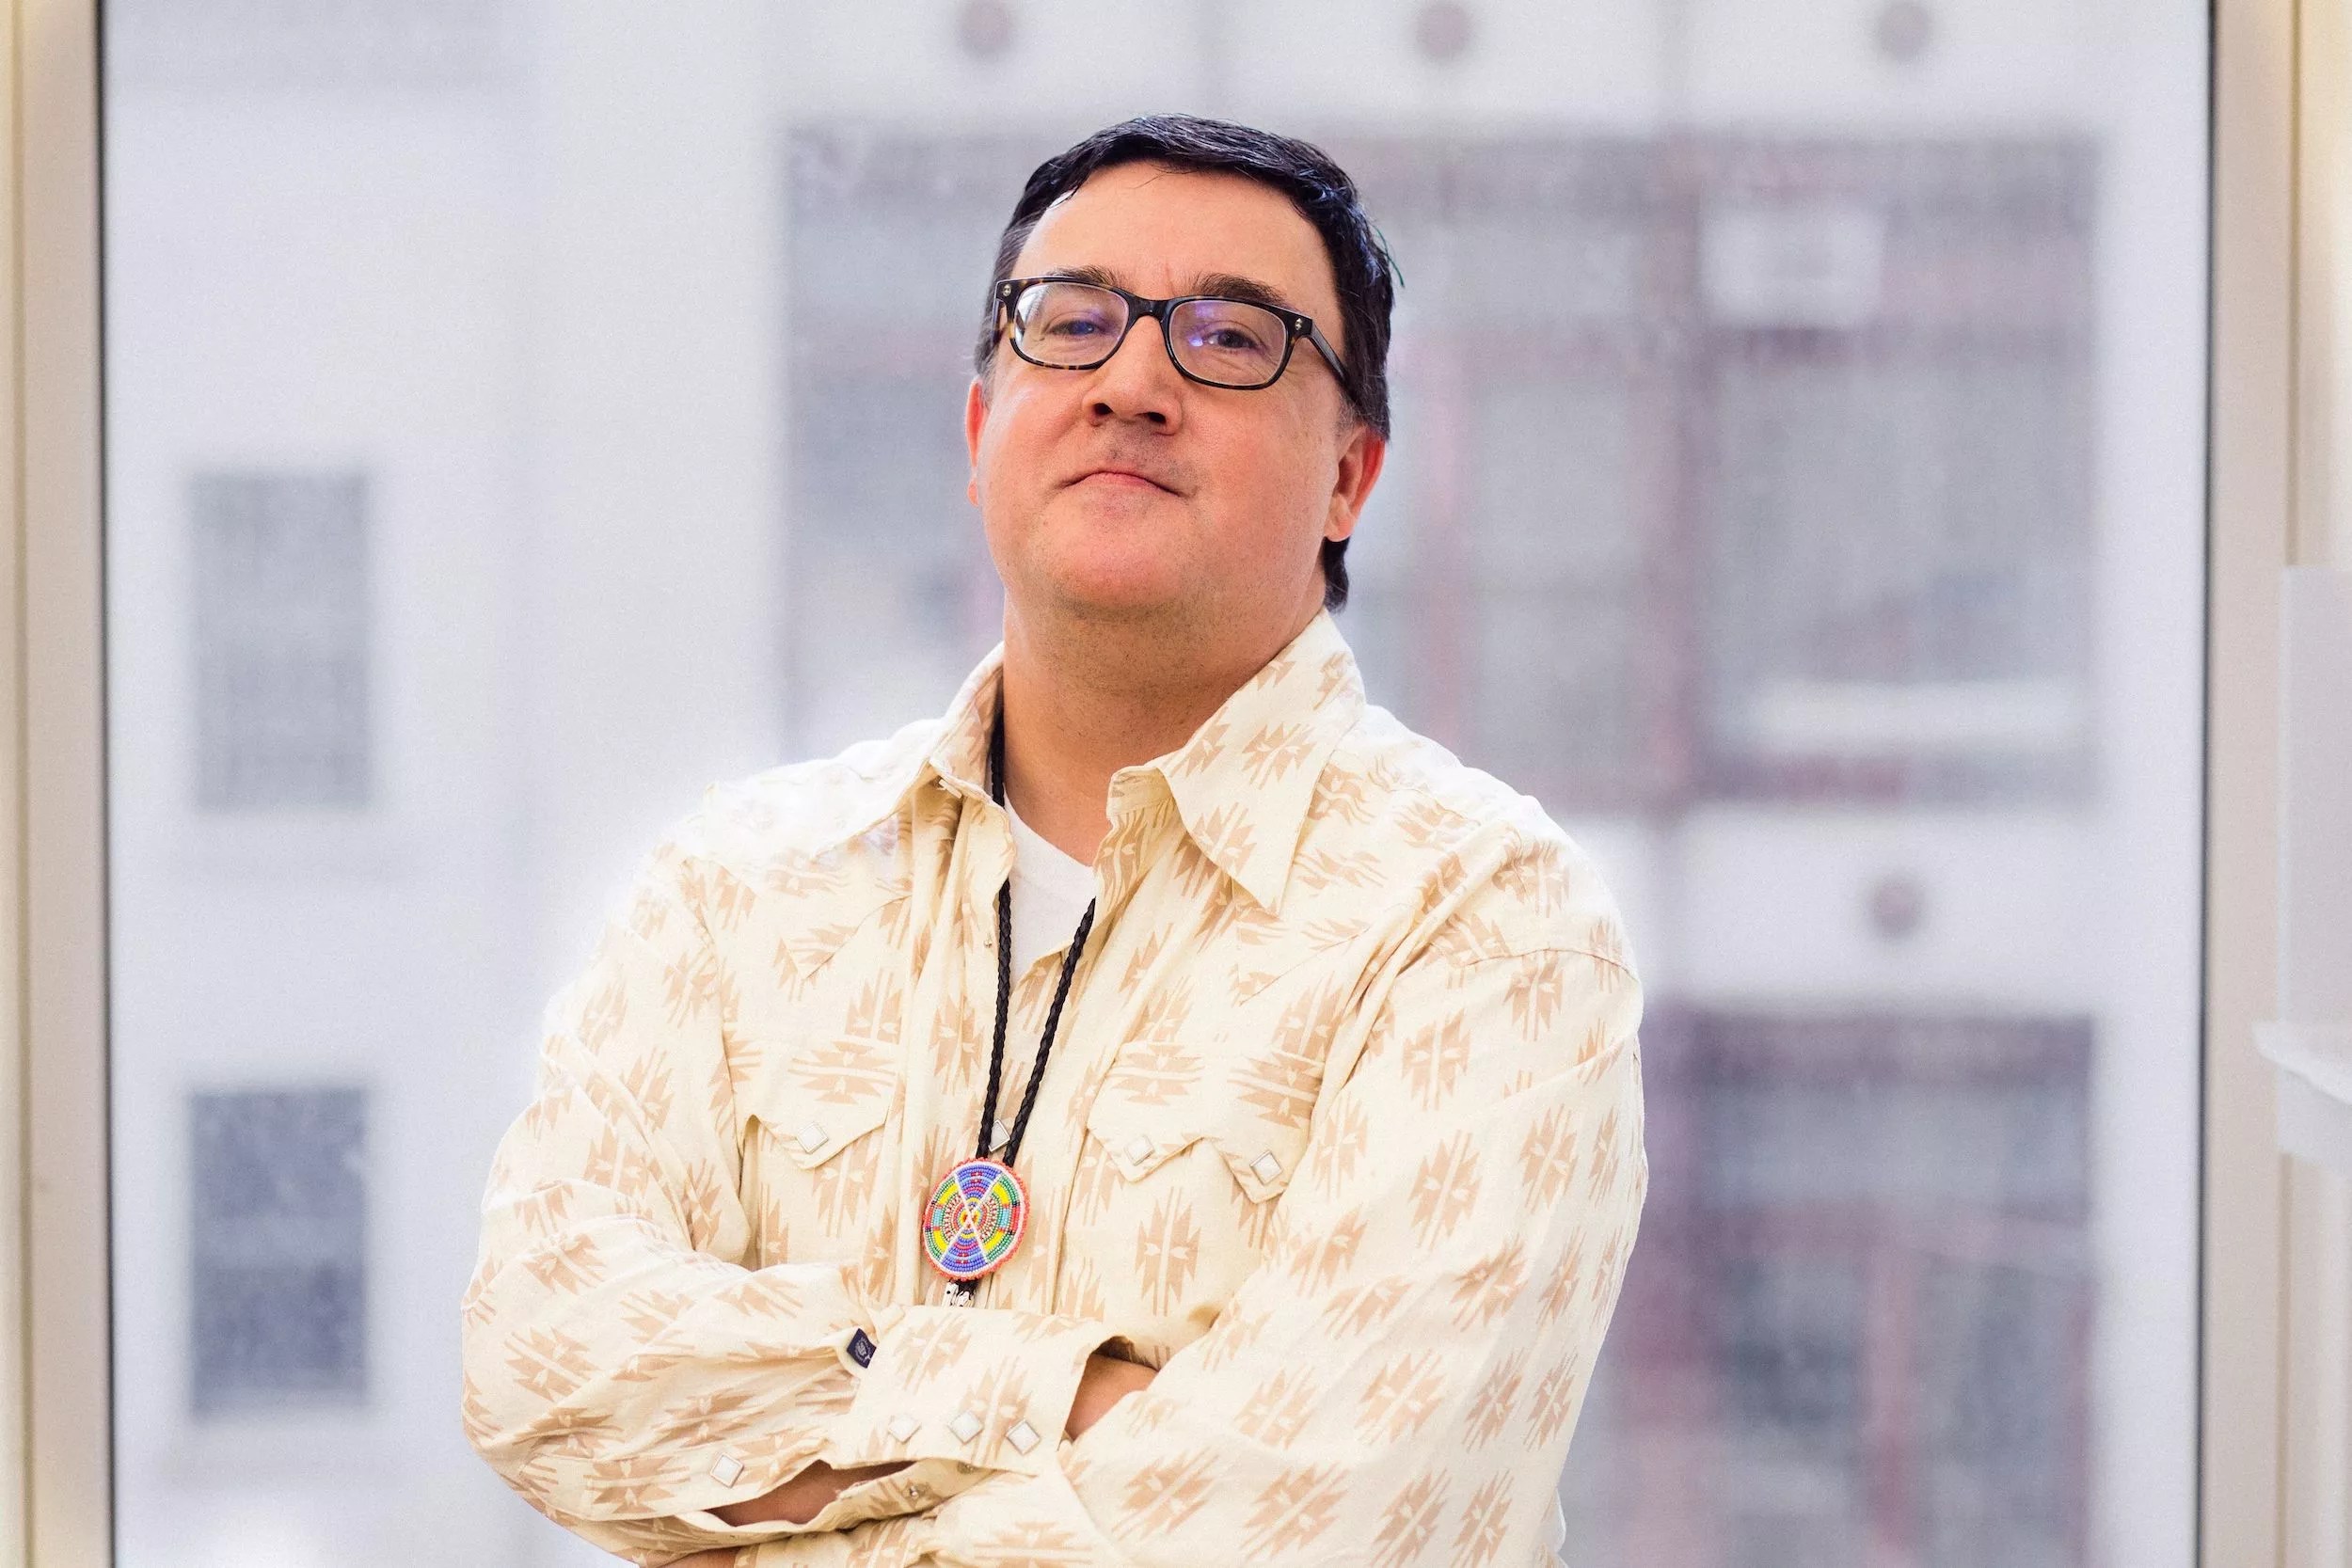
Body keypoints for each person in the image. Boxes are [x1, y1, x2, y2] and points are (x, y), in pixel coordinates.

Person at [462, 113, 1647, 1568]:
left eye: (1230, 339)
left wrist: (773, 1491)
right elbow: (539, 1358)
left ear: (1352, 478)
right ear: (980, 434)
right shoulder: (739, 888)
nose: (1132, 383)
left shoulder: (1484, 927)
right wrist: (1053, 1395)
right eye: (1073, 322)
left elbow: (1322, 1535)